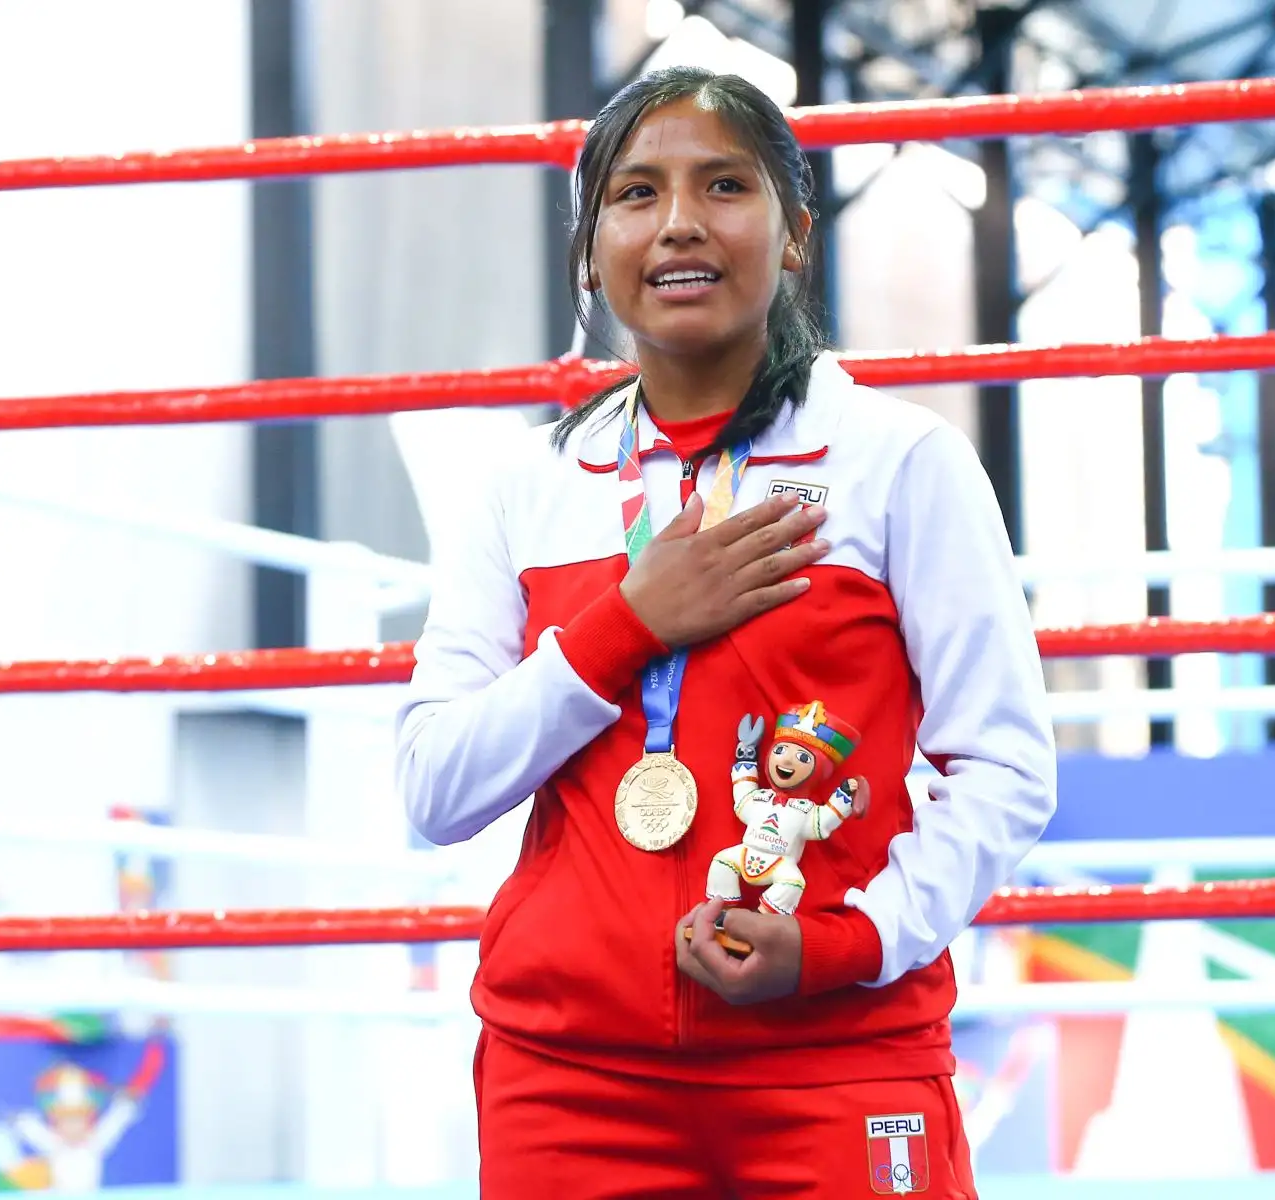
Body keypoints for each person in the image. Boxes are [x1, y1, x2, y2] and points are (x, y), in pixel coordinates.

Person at [397, 65, 1056, 1199]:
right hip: (569, 1080)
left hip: (839, 1063)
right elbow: (436, 790)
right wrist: (625, 627)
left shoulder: (900, 465)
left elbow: (1005, 766)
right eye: (638, 195)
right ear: (589, 244)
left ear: (796, 233)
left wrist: (851, 944)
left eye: (725, 186)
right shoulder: (528, 493)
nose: (681, 225)